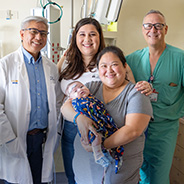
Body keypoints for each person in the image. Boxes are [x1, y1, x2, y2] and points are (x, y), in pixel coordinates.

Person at [57, 17, 152, 184]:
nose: (87, 39)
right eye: (82, 34)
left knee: (105, 172)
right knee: (77, 172)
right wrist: (78, 118)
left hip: (105, 127)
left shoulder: (108, 61)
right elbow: (57, 92)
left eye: (93, 34)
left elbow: (131, 89)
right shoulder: (67, 60)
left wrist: (145, 87)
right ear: (75, 38)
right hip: (72, 124)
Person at [126, 9, 184, 184]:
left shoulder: (180, 59)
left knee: (158, 177)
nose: (153, 30)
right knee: (138, 175)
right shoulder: (131, 60)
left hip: (164, 130)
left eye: (158, 26)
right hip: (137, 129)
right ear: (142, 30)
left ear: (165, 29)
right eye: (148, 25)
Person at [0, 16, 59, 184]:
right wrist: (9, 139)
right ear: (21, 34)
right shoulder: (5, 65)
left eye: (43, 33)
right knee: (16, 181)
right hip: (15, 136)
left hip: (40, 139)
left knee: (39, 180)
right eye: (33, 32)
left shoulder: (51, 68)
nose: (38, 37)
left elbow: (57, 103)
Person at [66, 81, 124, 173]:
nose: (80, 89)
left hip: (102, 123)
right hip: (90, 126)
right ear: (71, 97)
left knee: (112, 136)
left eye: (81, 86)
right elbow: (65, 109)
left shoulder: (92, 97)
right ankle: (98, 155)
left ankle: (115, 156)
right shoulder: (76, 102)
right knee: (96, 137)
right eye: (75, 91)